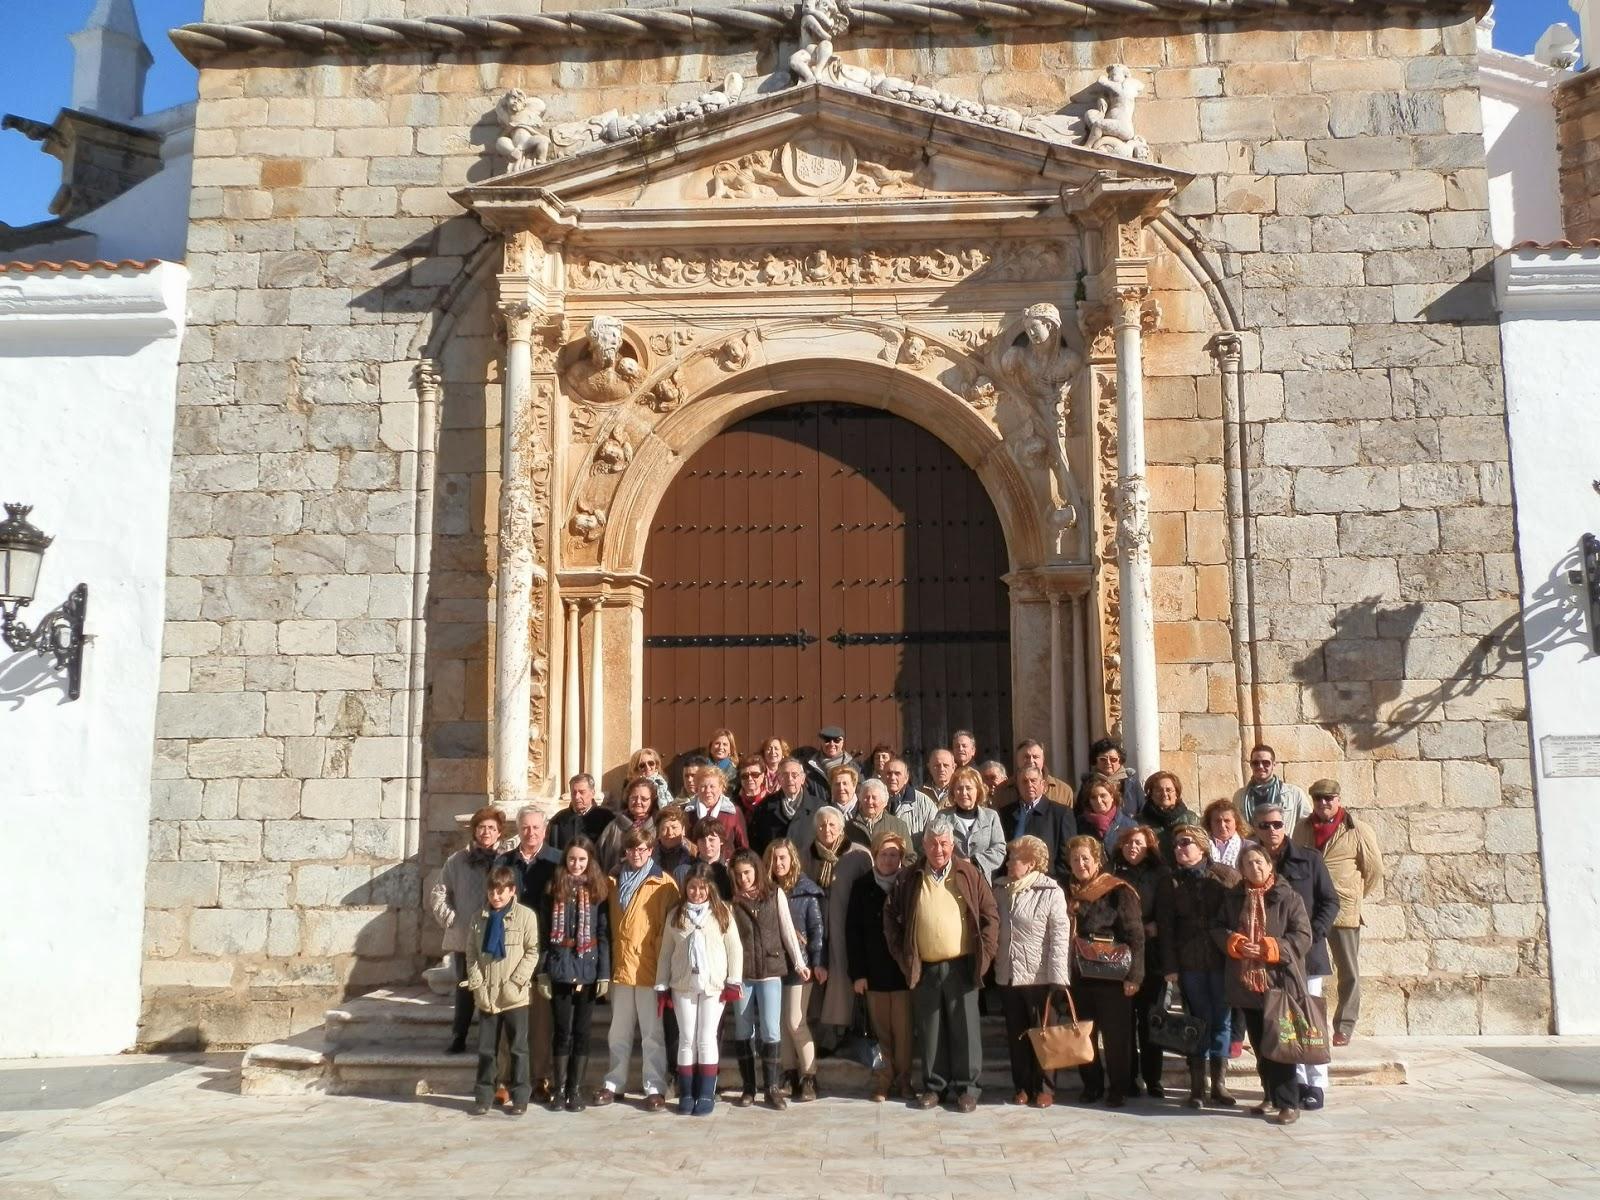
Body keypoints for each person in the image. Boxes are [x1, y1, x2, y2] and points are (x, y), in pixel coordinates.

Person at [883, 815, 1001, 1113]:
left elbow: (990, 916)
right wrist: (903, 955)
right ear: (923, 845)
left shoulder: (968, 872)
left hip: (963, 964)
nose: (939, 849)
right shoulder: (910, 877)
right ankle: (935, 1086)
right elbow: (890, 918)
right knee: (930, 1030)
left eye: (945, 843)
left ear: (953, 845)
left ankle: (968, 1089)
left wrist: (985, 954)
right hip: (926, 966)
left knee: (966, 1030)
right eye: (933, 843)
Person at [1213, 843, 1312, 1125]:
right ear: (1241, 870)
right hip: (1247, 983)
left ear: (1270, 865)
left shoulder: (1289, 898)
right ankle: (1269, 1094)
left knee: (1281, 1046)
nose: (1254, 868)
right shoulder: (1234, 898)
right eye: (1248, 864)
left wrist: (1269, 948)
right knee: (1259, 1044)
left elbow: (1303, 936)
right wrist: (1236, 943)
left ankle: (1288, 1103)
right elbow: (1218, 928)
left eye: (1259, 862)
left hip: (1278, 983)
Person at [1255, 801, 1339, 1111]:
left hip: (1306, 955)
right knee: (1282, 1020)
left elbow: (1330, 902)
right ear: (1256, 828)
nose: (1272, 830)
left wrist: (1314, 934)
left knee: (1309, 1017)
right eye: (1264, 825)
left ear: (1285, 825)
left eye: (1276, 824)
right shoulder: (1253, 861)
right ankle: (1296, 1080)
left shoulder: (1309, 860)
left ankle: (1316, 1082)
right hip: (1271, 957)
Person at [1295, 778, 1384, 1047]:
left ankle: (1344, 1025)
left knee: (1348, 970)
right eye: (1318, 799)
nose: (1323, 803)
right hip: (1310, 910)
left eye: (1328, 798)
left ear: (1338, 799)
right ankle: (1308, 1021)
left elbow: (1374, 870)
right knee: (1304, 968)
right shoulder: (1302, 828)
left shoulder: (1357, 830)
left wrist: (1354, 895)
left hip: (1344, 911)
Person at [1158, 823, 1239, 1108]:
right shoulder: (1170, 882)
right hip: (1189, 960)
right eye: (1176, 844)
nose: (1179, 848)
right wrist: (1170, 966)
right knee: (1197, 1021)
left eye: (1185, 843)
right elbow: (1166, 928)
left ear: (1202, 846)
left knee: (1222, 1020)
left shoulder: (1226, 877)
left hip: (1221, 959)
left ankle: (1219, 1084)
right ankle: (1197, 1087)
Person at [597, 826, 678, 1111]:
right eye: (632, 849)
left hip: (649, 967)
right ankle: (613, 1083)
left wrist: (665, 971)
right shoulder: (612, 881)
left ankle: (654, 1086)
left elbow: (670, 930)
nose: (637, 854)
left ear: (651, 850)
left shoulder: (664, 884)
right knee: (618, 1029)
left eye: (642, 849)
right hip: (620, 966)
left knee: (652, 1032)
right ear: (625, 851)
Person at [655, 863, 743, 1116]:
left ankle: (705, 1093)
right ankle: (687, 1092)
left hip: (713, 985)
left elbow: (734, 948)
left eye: (702, 888)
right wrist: (662, 985)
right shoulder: (676, 915)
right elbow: (665, 954)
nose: (697, 892)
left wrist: (733, 980)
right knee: (686, 1038)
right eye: (692, 887)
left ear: (710, 888)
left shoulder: (722, 912)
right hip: (683, 985)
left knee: (706, 1038)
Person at [727, 849, 810, 1108]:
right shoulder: (732, 902)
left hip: (771, 969)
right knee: (743, 1030)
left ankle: (772, 1087)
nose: (743, 879)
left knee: (771, 1029)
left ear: (757, 871)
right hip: (743, 973)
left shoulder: (775, 894)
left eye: (747, 873)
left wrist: (799, 962)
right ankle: (749, 1088)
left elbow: (787, 929)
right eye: (739, 875)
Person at [1064, 834, 1143, 1107]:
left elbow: (1135, 936)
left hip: (1112, 976)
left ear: (1097, 861)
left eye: (1085, 858)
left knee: (1116, 1036)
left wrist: (1135, 976)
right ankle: (1092, 1084)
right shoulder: (1067, 892)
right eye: (1075, 859)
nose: (1080, 864)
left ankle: (1118, 1088)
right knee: (1082, 1032)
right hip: (1078, 974)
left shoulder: (1118, 890)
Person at [994, 835, 1072, 1108]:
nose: (1008, 863)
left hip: (1039, 976)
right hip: (1009, 973)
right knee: (1017, 1035)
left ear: (1031, 864)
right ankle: (1022, 1086)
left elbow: (1060, 936)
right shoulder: (1001, 888)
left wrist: (1058, 977)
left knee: (1043, 1033)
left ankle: (1045, 1088)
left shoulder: (1050, 891)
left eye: (1014, 858)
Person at [537, 836, 612, 1113]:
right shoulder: (554, 889)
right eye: (572, 859)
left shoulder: (598, 891)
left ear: (589, 861)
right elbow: (545, 934)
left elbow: (603, 934)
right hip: (560, 965)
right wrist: (543, 971)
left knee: (582, 1031)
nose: (576, 864)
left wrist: (604, 973)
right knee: (562, 1030)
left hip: (587, 966)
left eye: (582, 859)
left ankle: (575, 1090)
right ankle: (558, 1089)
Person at [496, 806, 560, 1099]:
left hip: (544, 950)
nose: (530, 833)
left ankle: (540, 1079)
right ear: (518, 829)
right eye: (525, 827)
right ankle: (504, 1080)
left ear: (544, 830)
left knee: (540, 1022)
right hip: (509, 951)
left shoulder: (557, 862)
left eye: (536, 828)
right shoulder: (505, 862)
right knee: (508, 1016)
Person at [430, 805, 505, 1055]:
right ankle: (458, 1035)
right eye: (482, 827)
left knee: (492, 987)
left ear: (499, 833)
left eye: (492, 828)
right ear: (474, 831)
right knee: (465, 988)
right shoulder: (457, 861)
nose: (486, 832)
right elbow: (439, 893)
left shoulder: (505, 860)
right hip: (466, 936)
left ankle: (489, 1040)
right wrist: (452, 919)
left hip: (495, 935)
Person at [465, 865, 538, 1115]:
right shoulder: (478, 918)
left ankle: (520, 1096)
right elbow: (472, 954)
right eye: (492, 892)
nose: (495, 897)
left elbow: (532, 951)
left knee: (518, 1048)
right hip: (487, 994)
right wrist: (477, 983)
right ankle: (484, 1095)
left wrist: (516, 982)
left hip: (513, 995)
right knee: (487, 1049)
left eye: (500, 892)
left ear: (511, 891)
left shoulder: (526, 916)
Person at [846, 831, 913, 1102]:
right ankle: (884, 1081)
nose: (888, 859)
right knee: (881, 1032)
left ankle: (905, 1081)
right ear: (875, 856)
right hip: (873, 973)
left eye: (894, 854)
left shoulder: (909, 884)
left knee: (904, 1032)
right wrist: (858, 974)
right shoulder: (862, 886)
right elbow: (853, 932)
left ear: (901, 857)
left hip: (903, 973)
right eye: (884, 854)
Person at [799, 805, 873, 1038]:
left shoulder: (858, 855)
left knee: (842, 978)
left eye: (832, 824)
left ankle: (842, 1031)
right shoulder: (805, 855)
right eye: (822, 825)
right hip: (816, 927)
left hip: (846, 927)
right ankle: (821, 1035)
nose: (827, 829)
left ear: (841, 827)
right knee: (818, 980)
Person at [1112, 825, 1170, 1099]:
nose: (1133, 847)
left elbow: (1168, 911)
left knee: (1150, 1020)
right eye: (1128, 843)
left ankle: (1153, 1078)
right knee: (1123, 1023)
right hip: (1121, 955)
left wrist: (1156, 925)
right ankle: (1130, 1077)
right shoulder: (1112, 874)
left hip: (1153, 956)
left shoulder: (1161, 875)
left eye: (1139, 843)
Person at [766, 838, 826, 1101]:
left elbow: (817, 931)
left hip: (799, 965)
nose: (778, 863)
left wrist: (818, 961)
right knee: (781, 1024)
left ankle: (810, 1076)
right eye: (774, 858)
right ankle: (790, 1075)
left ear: (792, 860)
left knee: (795, 1021)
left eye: (783, 858)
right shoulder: (765, 890)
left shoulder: (806, 890)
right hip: (773, 964)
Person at [997, 766, 1075, 882]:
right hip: (1011, 882)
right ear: (1018, 786)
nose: (1029, 785)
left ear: (1042, 784)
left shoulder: (1060, 813)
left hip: (1046, 883)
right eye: (1024, 781)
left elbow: (1067, 855)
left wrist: (1058, 884)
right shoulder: (1005, 814)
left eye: (1033, 781)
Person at [1233, 743, 1312, 835]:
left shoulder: (1294, 794)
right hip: (1252, 846)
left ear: (1274, 765)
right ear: (1251, 765)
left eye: (1266, 763)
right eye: (1256, 763)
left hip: (1283, 847)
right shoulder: (1239, 796)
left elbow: (1307, 825)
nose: (1260, 766)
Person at [750, 756, 822, 853]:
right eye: (784, 775)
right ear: (779, 778)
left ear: (803, 778)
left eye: (794, 775)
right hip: (776, 865)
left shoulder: (819, 808)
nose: (790, 779)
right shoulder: (764, 807)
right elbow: (756, 842)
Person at [945, 765, 1006, 877]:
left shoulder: (991, 817)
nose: (963, 793)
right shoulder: (943, 817)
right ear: (953, 792)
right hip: (951, 879)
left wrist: (973, 861)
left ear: (978, 790)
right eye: (959, 789)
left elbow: (999, 850)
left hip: (982, 881)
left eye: (968, 788)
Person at [597, 777, 658, 874]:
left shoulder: (658, 827)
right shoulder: (613, 827)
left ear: (652, 801)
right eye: (634, 798)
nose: (638, 802)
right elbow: (598, 858)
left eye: (644, 799)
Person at [1140, 770, 1201, 864]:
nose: (1164, 794)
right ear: (1151, 794)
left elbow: (1202, 849)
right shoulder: (1139, 822)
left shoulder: (1192, 819)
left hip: (1186, 872)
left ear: (1176, 794)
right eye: (1158, 790)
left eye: (1169, 790)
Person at [993, 739, 1074, 809]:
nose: (1031, 761)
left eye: (1035, 757)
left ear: (1043, 759)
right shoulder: (1001, 791)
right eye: (1026, 757)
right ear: (1017, 760)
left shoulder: (1063, 791)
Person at [686, 768, 749, 858]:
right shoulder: (689, 812)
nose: (708, 790)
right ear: (697, 789)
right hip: (697, 866)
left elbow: (743, 845)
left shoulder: (733, 812)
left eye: (712, 786)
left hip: (727, 866)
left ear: (721, 788)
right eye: (703, 786)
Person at [1074, 737, 1141, 818]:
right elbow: (1079, 813)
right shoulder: (1087, 784)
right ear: (1096, 761)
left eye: (1113, 759)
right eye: (1103, 759)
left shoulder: (1132, 783)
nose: (1108, 762)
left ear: (1120, 761)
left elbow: (1142, 813)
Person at [549, 774, 615, 851]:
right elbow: (552, 849)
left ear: (592, 793)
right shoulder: (559, 819)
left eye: (582, 792)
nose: (577, 797)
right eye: (574, 792)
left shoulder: (606, 818)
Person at [672, 819, 733, 898]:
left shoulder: (730, 871)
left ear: (721, 840)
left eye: (711, 840)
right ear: (696, 842)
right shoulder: (683, 872)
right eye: (702, 840)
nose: (707, 845)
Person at [1079, 775, 1136, 857]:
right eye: (1093, 797)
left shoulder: (1130, 825)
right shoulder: (1080, 824)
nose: (1099, 801)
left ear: (1112, 796)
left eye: (1103, 796)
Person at [882, 758, 938, 840]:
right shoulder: (873, 800)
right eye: (889, 773)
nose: (892, 777)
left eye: (897, 773)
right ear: (882, 776)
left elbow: (935, 834)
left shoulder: (924, 803)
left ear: (906, 778)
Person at [848, 777, 910, 849]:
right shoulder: (849, 827)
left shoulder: (898, 826)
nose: (870, 802)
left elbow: (909, 856)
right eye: (866, 797)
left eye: (874, 798)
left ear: (884, 802)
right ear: (860, 799)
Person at [804, 725, 859, 795]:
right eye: (827, 740)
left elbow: (860, 790)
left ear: (842, 742)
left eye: (837, 740)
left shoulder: (853, 766)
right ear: (821, 742)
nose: (832, 744)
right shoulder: (809, 768)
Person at [1203, 797, 1249, 868]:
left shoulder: (1248, 846)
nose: (1222, 825)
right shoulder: (1201, 847)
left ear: (1236, 822)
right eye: (1217, 821)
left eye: (1227, 821)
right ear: (1209, 824)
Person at [654, 805, 694, 876]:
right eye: (665, 828)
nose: (670, 833)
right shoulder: (649, 854)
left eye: (674, 827)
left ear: (683, 830)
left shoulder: (694, 853)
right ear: (658, 832)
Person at [732, 756, 768, 824]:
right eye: (744, 776)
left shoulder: (772, 802)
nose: (750, 779)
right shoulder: (732, 804)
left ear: (763, 776)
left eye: (755, 774)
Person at [705, 727, 741, 793]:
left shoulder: (734, 773)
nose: (721, 747)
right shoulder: (701, 768)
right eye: (717, 743)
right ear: (710, 747)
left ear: (731, 749)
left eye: (725, 744)